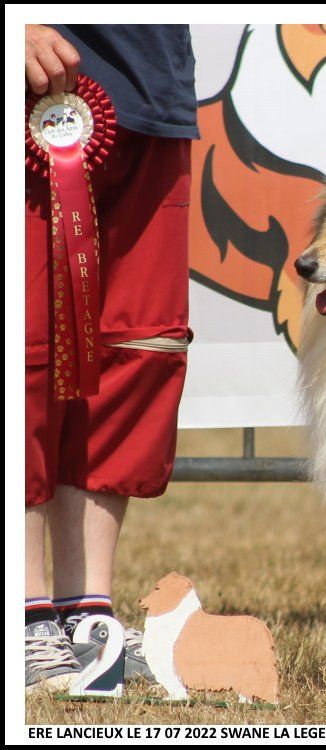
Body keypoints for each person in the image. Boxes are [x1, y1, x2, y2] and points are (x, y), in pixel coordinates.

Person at [24, 24, 197, 691]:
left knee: (135, 348)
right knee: (26, 353)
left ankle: (85, 611)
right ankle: (23, 612)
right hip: (34, 87)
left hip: (152, 90)